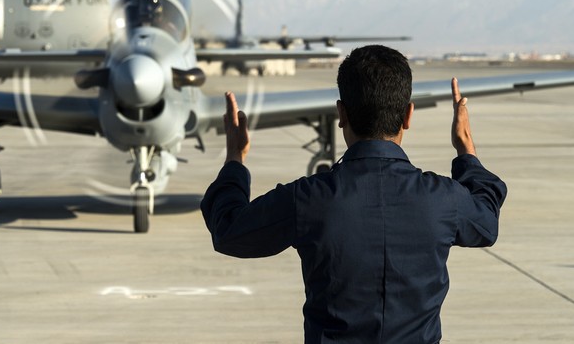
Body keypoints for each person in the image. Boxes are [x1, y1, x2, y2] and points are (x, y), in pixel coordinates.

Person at [201, 45, 507, 343]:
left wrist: (234, 160)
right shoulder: (444, 200)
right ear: (408, 116)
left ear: (341, 114)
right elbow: (486, 222)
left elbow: (229, 230)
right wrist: (466, 151)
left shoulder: (308, 199)